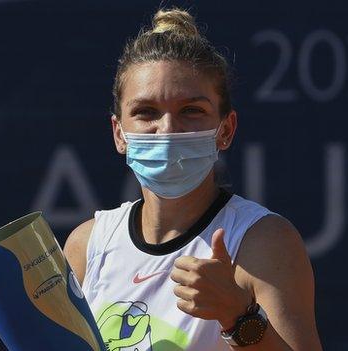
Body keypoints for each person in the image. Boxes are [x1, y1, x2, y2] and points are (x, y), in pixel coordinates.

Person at [64, 7, 323, 351]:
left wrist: (239, 317)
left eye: (191, 111)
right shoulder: (87, 246)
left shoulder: (264, 241)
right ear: (119, 133)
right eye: (146, 112)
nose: (168, 130)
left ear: (226, 130)